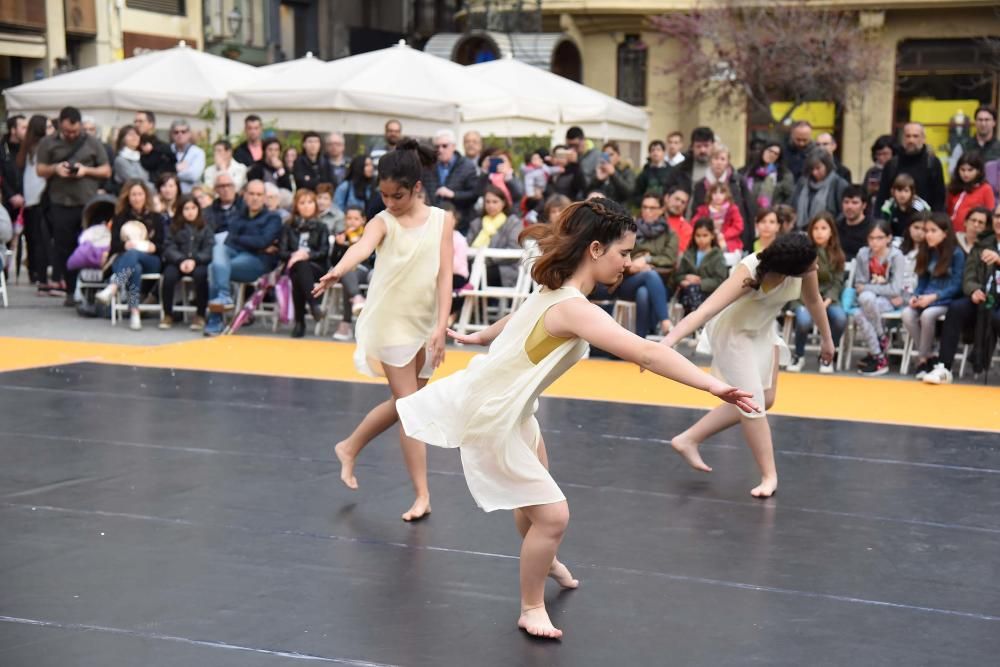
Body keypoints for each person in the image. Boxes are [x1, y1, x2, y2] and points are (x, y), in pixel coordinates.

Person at [394, 198, 757, 640]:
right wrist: (712, 385)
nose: (630, 262)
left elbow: (520, 316)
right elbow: (644, 350)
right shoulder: (573, 306)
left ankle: (544, 559)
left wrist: (483, 333)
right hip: (496, 413)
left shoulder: (560, 293)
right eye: (624, 253)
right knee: (552, 516)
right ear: (597, 249)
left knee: (534, 499)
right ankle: (531, 607)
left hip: (516, 410)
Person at [311, 139, 454, 522]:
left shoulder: (442, 220)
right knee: (412, 408)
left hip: (425, 322)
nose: (390, 202)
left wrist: (441, 326)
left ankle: (349, 446)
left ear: (417, 187)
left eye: (398, 195)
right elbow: (361, 248)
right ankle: (423, 494)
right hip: (390, 321)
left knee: (406, 402)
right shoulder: (382, 221)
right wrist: (339, 270)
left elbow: (445, 277)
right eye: (384, 195)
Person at [663, 233, 834, 498]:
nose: (817, 267)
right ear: (790, 270)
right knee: (753, 402)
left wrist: (827, 339)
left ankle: (688, 439)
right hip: (734, 334)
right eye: (812, 265)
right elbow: (705, 311)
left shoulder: (804, 265)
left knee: (766, 399)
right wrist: (667, 342)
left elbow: (813, 301)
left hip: (763, 330)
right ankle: (769, 476)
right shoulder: (749, 272)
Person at [35, 105, 112, 304]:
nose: (72, 135)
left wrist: (86, 171)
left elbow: (106, 170)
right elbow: (40, 169)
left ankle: (90, 289)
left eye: (75, 131)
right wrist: (55, 169)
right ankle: (70, 290)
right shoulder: (48, 143)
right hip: (60, 202)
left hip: (88, 204)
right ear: (60, 125)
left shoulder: (92, 142)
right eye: (68, 131)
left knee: (89, 247)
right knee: (64, 247)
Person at [923, 203, 1000, 384]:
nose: (999, 221)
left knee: (997, 318)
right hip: (985, 297)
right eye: (997, 216)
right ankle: (944, 367)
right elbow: (969, 275)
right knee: (957, 308)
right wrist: (973, 290)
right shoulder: (983, 244)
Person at [204, 180, 283, 335]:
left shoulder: (273, 218)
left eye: (259, 194)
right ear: (245, 195)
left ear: (265, 197)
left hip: (257, 262)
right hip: (239, 255)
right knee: (219, 248)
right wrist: (257, 243)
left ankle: (216, 318)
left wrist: (242, 239)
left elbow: (262, 241)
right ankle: (224, 297)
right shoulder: (238, 216)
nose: (255, 198)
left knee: (214, 268)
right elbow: (230, 242)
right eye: (252, 194)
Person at [901, 212, 965, 379]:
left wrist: (934, 297)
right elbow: (922, 280)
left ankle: (922, 360)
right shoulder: (927, 251)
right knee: (907, 314)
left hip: (946, 300)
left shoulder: (957, 254)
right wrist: (916, 295)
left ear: (945, 233)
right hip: (927, 296)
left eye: (932, 230)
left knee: (928, 315)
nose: (927, 234)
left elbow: (957, 286)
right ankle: (930, 355)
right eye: (926, 230)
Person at [95, 179, 164, 329]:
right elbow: (114, 246)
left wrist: (153, 247)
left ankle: (113, 287)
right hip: (126, 260)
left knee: (135, 255)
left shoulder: (156, 218)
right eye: (133, 195)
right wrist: (124, 245)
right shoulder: (120, 218)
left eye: (140, 194)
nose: (137, 198)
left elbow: (162, 245)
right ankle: (134, 312)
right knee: (135, 267)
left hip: (151, 260)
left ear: (145, 196)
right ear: (128, 197)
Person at [787, 212, 847, 373]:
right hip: (802, 298)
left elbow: (838, 282)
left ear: (831, 232)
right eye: (816, 228)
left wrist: (827, 299)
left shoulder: (838, 255)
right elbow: (796, 279)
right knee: (804, 321)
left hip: (829, 298)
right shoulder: (803, 250)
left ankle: (826, 356)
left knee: (840, 318)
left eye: (824, 228)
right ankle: (798, 355)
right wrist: (812, 301)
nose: (819, 232)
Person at [854, 220, 906, 376]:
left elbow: (895, 288)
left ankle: (878, 354)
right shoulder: (863, 254)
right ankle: (880, 346)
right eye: (871, 238)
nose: (874, 242)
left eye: (879, 238)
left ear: (889, 238)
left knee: (863, 304)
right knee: (865, 301)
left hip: (890, 302)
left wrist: (868, 288)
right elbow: (858, 284)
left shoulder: (896, 256)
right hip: (870, 300)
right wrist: (870, 289)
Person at [279, 188, 330, 338]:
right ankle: (314, 306)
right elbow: (282, 252)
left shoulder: (322, 227)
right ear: (296, 206)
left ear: (315, 205)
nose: (306, 206)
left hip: (317, 267)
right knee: (298, 270)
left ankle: (299, 322)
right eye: (302, 203)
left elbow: (324, 252)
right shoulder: (288, 226)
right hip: (293, 267)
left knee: (301, 267)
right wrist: (295, 255)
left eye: (310, 202)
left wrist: (306, 255)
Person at [160, 194, 212, 331]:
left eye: (193, 208)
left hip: (198, 262)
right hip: (178, 262)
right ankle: (168, 314)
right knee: (169, 276)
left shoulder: (205, 227)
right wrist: (180, 260)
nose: (190, 212)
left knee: (201, 276)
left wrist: (195, 260)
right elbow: (168, 247)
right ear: (180, 211)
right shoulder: (174, 227)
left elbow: (209, 248)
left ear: (198, 209)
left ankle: (200, 314)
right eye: (186, 208)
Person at [691, 145, 755, 249]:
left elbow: (748, 210)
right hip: (705, 241)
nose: (719, 162)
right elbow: (696, 214)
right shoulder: (700, 185)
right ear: (710, 161)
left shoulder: (737, 182)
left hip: (734, 239)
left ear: (728, 162)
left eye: (722, 159)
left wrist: (749, 238)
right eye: (715, 158)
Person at [876, 122, 946, 213]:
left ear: (923, 139)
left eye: (915, 136)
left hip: (924, 220)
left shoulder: (932, 163)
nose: (911, 140)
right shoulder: (892, 164)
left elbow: (939, 198)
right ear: (902, 139)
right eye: (908, 136)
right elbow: (882, 197)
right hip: (895, 221)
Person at [16, 114, 52, 289]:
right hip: (40, 194)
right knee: (41, 237)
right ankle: (40, 272)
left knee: (32, 237)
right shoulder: (43, 146)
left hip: (29, 195)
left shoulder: (27, 146)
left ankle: (34, 272)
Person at [329, 205, 371, 342]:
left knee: (347, 271)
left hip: (365, 271)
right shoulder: (342, 235)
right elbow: (334, 261)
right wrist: (340, 246)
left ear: (363, 220)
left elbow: (373, 259)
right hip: (346, 272)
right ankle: (357, 297)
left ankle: (346, 323)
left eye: (356, 218)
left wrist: (360, 245)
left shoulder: (369, 235)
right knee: (346, 270)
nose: (352, 222)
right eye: (349, 218)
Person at [671, 217, 727, 315]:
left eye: (705, 235)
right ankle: (693, 324)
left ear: (712, 236)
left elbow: (720, 280)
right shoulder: (689, 254)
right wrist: (685, 278)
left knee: (692, 290)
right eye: (698, 236)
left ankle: (696, 323)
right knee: (689, 292)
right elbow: (677, 275)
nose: (701, 239)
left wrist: (700, 283)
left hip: (709, 295)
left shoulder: (717, 256)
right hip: (687, 294)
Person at [422, 129, 479, 226]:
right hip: (433, 221)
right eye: (437, 146)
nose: (440, 150)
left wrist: (453, 195)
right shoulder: (428, 165)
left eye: (444, 146)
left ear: (453, 146)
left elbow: (474, 194)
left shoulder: (467, 166)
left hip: (459, 223)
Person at [632, 192, 679, 285]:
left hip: (661, 277)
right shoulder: (631, 229)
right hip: (632, 274)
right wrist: (637, 262)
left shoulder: (670, 234)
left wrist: (647, 259)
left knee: (643, 292)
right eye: (644, 207)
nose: (647, 211)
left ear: (661, 210)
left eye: (652, 208)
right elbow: (622, 254)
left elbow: (669, 259)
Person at [792, 151, 848, 229]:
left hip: (828, 230)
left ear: (827, 166)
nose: (814, 172)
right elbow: (793, 205)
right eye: (812, 169)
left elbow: (844, 212)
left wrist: (831, 226)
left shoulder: (838, 184)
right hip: (802, 231)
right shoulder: (802, 183)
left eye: (818, 168)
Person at [946, 153, 994, 233]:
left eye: (970, 170)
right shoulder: (953, 187)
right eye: (962, 170)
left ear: (978, 171)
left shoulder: (986, 189)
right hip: (952, 232)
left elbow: (990, 215)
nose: (966, 174)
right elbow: (949, 211)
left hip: (973, 234)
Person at [741, 140, 794, 210]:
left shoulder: (784, 174)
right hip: (749, 212)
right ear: (763, 151)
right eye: (770, 151)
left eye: (776, 153)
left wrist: (779, 209)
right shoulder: (750, 170)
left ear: (779, 157)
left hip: (772, 215)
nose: (771, 154)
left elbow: (789, 197)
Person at [693, 182, 744, 252]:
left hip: (728, 241)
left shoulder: (732, 209)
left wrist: (724, 235)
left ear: (726, 195)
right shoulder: (704, 209)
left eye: (721, 193)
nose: (718, 196)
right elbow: (694, 223)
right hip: (707, 240)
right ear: (710, 194)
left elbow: (738, 226)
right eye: (715, 193)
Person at [879, 173, 930, 239]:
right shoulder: (888, 207)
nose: (902, 195)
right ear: (893, 191)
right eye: (899, 190)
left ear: (912, 192)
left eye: (906, 191)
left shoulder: (920, 208)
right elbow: (884, 230)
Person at [133, 111, 174, 182]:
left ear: (151, 124)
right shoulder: (133, 145)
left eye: (140, 121)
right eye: (135, 121)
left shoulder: (162, 147)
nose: (137, 124)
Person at [168, 120, 205, 194]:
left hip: (189, 194)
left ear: (189, 134)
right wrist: (176, 168)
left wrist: (171, 172)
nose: (180, 134)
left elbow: (193, 175)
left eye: (183, 132)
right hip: (169, 194)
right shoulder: (167, 150)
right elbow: (160, 173)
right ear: (172, 135)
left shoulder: (197, 152)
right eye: (176, 132)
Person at [836, 185, 871, 261]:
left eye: (854, 203)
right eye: (846, 202)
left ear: (864, 205)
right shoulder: (836, 226)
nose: (849, 206)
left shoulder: (872, 228)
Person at [632, 140, 673, 205]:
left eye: (658, 150)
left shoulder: (672, 172)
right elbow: (636, 194)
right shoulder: (644, 173)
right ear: (650, 153)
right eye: (653, 150)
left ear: (664, 152)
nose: (655, 152)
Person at [203, 173, 241, 237]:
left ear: (234, 187)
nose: (226, 189)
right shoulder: (208, 212)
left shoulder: (246, 207)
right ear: (215, 189)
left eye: (229, 185)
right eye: (222, 186)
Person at [864, 135, 896, 211]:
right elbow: (864, 194)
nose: (881, 158)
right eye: (878, 154)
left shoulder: (898, 171)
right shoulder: (871, 171)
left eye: (885, 154)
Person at [564, 126, 599, 190]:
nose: (573, 149)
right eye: (570, 145)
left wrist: (576, 164)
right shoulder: (568, 153)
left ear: (583, 140)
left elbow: (589, 183)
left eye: (576, 145)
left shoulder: (596, 155)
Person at [663, 186, 693, 252]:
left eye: (683, 202)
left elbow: (678, 253)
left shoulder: (686, 229)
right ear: (667, 198)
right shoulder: (651, 214)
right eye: (676, 199)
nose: (679, 204)